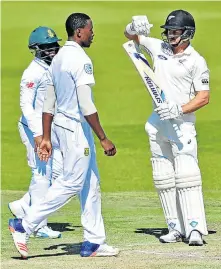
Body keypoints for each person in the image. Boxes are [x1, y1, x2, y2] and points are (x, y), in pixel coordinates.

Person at [9, 13, 119, 258]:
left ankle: (94, 241)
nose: (93, 34)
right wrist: (103, 137)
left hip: (62, 127)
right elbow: (86, 104)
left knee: (91, 183)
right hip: (76, 130)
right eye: (91, 30)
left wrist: (47, 136)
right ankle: (24, 225)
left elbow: (49, 101)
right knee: (72, 182)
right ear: (79, 32)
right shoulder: (80, 60)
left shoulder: (57, 60)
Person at [124, 10, 210, 246]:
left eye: (176, 31)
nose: (171, 35)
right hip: (158, 122)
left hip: (182, 125)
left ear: (188, 33)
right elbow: (130, 36)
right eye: (169, 31)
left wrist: (180, 109)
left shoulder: (196, 60)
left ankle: (195, 230)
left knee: (186, 176)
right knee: (163, 177)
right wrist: (134, 26)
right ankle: (175, 227)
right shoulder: (158, 47)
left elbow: (203, 97)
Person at [8, 26, 62, 239]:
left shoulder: (53, 67)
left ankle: (23, 205)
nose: (52, 51)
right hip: (33, 129)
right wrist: (39, 136)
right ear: (37, 50)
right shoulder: (32, 72)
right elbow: (26, 106)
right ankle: (38, 225)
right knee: (42, 175)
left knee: (58, 172)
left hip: (49, 130)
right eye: (47, 48)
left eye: (54, 46)